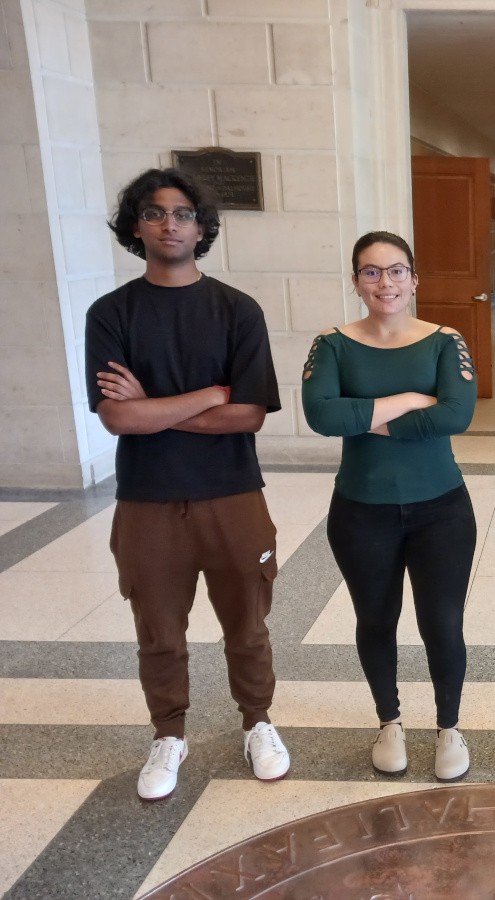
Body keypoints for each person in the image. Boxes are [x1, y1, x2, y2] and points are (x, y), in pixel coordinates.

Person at [85, 168, 289, 800]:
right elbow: (120, 416)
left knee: (248, 626)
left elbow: (249, 413)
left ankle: (257, 722)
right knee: (159, 632)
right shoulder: (111, 313)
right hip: (146, 501)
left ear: (202, 227)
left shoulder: (237, 310)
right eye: (154, 213)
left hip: (232, 494)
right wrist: (207, 394)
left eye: (182, 213)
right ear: (135, 226)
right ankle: (168, 735)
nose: (168, 224)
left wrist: (159, 407)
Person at [302, 231, 477, 782]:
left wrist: (366, 416)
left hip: (441, 510)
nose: (386, 282)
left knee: (442, 623)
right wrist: (406, 401)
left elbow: (455, 416)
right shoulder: (331, 344)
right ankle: (389, 721)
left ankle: (449, 726)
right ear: (355, 281)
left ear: (415, 278)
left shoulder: (446, 340)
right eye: (372, 272)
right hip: (361, 508)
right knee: (375, 618)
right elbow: (322, 418)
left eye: (397, 270)